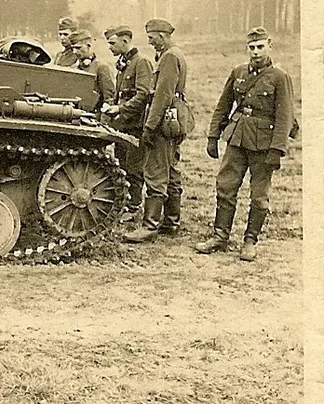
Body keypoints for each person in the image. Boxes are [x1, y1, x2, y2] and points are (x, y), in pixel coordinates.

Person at [194, 27, 295, 261]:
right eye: (252, 47)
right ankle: (220, 236)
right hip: (236, 138)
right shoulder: (238, 72)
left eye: (260, 47)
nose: (256, 52)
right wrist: (213, 136)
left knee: (259, 195)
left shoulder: (279, 77)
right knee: (226, 186)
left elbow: (285, 116)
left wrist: (277, 149)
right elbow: (224, 104)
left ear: (269, 45)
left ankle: (250, 241)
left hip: (264, 144)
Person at [122, 19, 187, 243]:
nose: (150, 42)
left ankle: (150, 227)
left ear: (162, 35)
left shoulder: (169, 56)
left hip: (164, 121)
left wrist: (149, 126)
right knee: (171, 169)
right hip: (173, 119)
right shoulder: (175, 54)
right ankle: (171, 221)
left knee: (156, 171)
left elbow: (162, 95)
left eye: (152, 38)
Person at [103, 26, 153, 221]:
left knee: (134, 167)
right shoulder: (124, 62)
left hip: (136, 125)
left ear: (125, 40)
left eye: (112, 43)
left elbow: (143, 95)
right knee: (121, 164)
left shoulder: (141, 62)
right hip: (123, 124)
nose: (109, 47)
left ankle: (133, 208)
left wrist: (120, 109)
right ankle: (124, 203)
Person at [67, 30, 114, 113]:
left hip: (95, 117)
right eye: (73, 48)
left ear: (88, 46)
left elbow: (109, 99)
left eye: (78, 48)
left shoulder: (101, 67)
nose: (75, 52)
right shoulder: (73, 68)